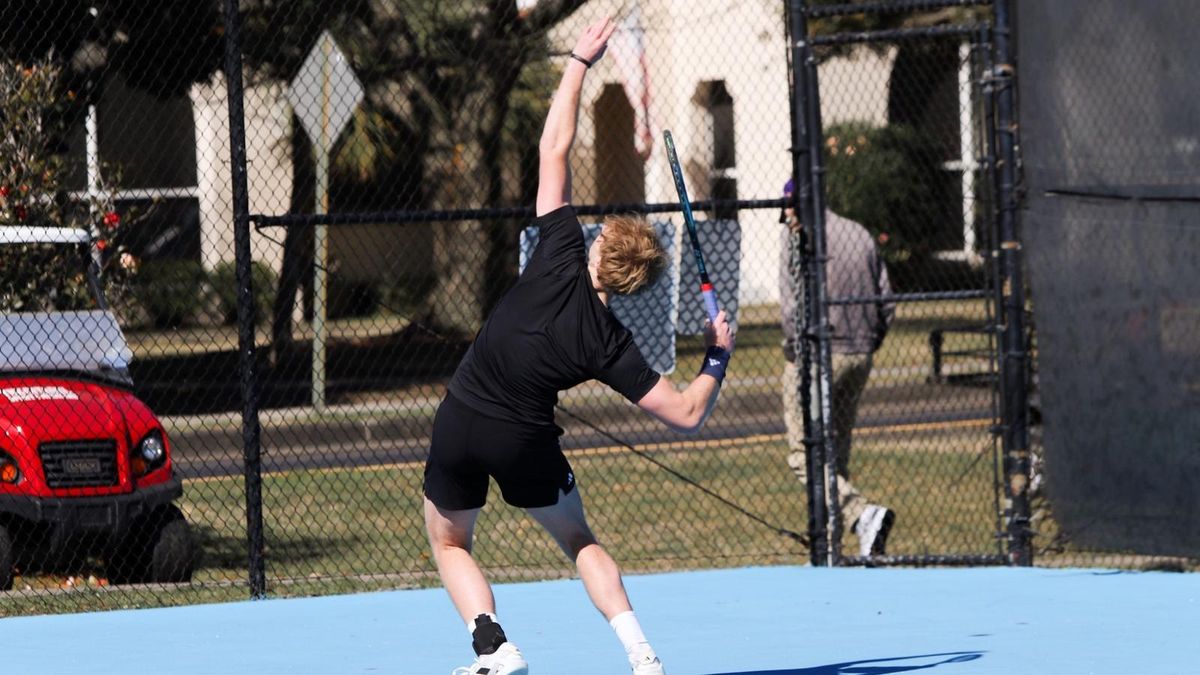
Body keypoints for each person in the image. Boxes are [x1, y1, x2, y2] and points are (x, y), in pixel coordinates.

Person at [423, 17, 735, 675]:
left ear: (600, 246)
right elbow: (683, 412)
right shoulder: (607, 339)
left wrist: (580, 60)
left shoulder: (559, 248)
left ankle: (492, 645)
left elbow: (554, 146)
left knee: (451, 541)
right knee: (578, 539)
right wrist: (718, 355)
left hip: (461, 416)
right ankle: (641, 653)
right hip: (524, 438)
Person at [779, 178, 895, 557]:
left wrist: (796, 355)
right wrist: (870, 340)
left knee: (804, 453)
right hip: (860, 352)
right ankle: (835, 543)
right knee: (835, 453)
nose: (785, 214)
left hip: (818, 354)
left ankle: (862, 516)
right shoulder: (858, 233)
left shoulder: (799, 239)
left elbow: (790, 306)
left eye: (789, 205)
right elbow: (886, 300)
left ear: (798, 205)